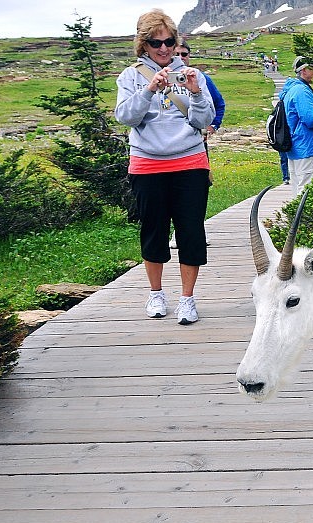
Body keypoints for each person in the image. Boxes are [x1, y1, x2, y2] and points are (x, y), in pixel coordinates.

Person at [114, 9, 215, 325]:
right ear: (143, 44)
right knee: (153, 230)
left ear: (176, 41)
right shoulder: (130, 77)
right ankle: (156, 293)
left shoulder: (192, 74)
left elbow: (204, 120)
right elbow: (125, 117)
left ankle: (188, 299)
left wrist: (196, 93)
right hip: (147, 165)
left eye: (169, 41)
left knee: (191, 230)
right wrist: (149, 89)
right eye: (155, 43)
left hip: (190, 162)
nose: (163, 48)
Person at [169, 39, 225, 249]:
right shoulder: (158, 79)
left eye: (184, 54)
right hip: (167, 147)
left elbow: (219, 104)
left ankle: (197, 228)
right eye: (177, 54)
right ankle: (177, 232)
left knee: (200, 186)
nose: (181, 59)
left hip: (196, 144)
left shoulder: (200, 78)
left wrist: (211, 127)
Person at [279, 56, 313, 197]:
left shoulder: (291, 89)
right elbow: (312, 119)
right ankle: (304, 218)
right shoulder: (301, 91)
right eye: (312, 68)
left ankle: (296, 217)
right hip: (306, 145)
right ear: (304, 70)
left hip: (295, 146)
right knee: (308, 187)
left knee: (298, 185)